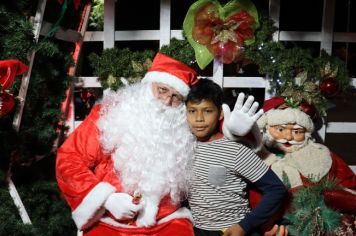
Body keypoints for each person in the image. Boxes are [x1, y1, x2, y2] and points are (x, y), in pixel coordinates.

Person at [56, 52, 199, 235]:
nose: (166, 101)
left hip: (166, 221)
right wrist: (106, 199)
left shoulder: (185, 126)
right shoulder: (110, 114)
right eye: (162, 90)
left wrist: (231, 131)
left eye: (176, 97)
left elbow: (216, 133)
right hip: (108, 220)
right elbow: (69, 158)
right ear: (147, 85)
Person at [185, 79, 287, 236]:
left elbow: (276, 189)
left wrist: (245, 226)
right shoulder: (184, 147)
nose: (199, 119)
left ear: (220, 114)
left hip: (231, 230)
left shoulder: (235, 150)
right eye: (192, 111)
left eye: (207, 111)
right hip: (198, 229)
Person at [250, 96, 356, 232]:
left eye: (297, 131)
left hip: (323, 225)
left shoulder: (321, 155)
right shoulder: (256, 159)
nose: (288, 137)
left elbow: (349, 184)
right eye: (281, 130)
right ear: (267, 127)